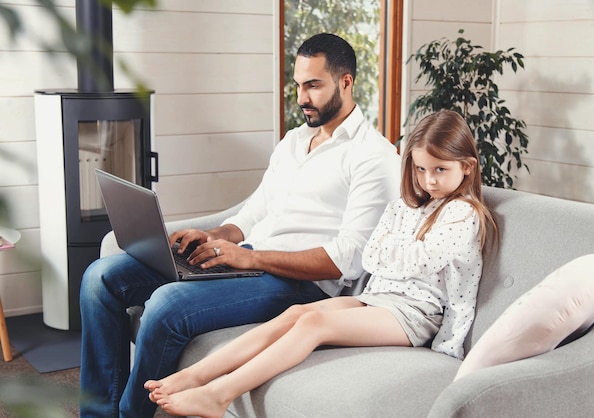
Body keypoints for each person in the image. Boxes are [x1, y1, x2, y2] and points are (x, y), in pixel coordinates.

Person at [79, 33, 400, 417]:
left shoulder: (374, 157)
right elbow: (254, 211)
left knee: (166, 304)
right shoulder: (294, 142)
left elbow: (347, 260)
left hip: (301, 286)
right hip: (249, 263)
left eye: (313, 86)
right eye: (298, 85)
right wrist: (216, 236)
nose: (301, 98)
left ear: (346, 82)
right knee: (100, 277)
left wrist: (251, 260)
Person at [144, 109, 498, 418]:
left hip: (418, 314)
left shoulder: (462, 213)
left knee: (314, 322)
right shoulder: (408, 206)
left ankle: (218, 396)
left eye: (440, 169)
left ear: (466, 168)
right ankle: (194, 375)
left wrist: (394, 250)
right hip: (382, 298)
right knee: (296, 312)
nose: (429, 180)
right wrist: (394, 252)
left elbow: (420, 261)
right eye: (420, 169)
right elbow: (372, 255)